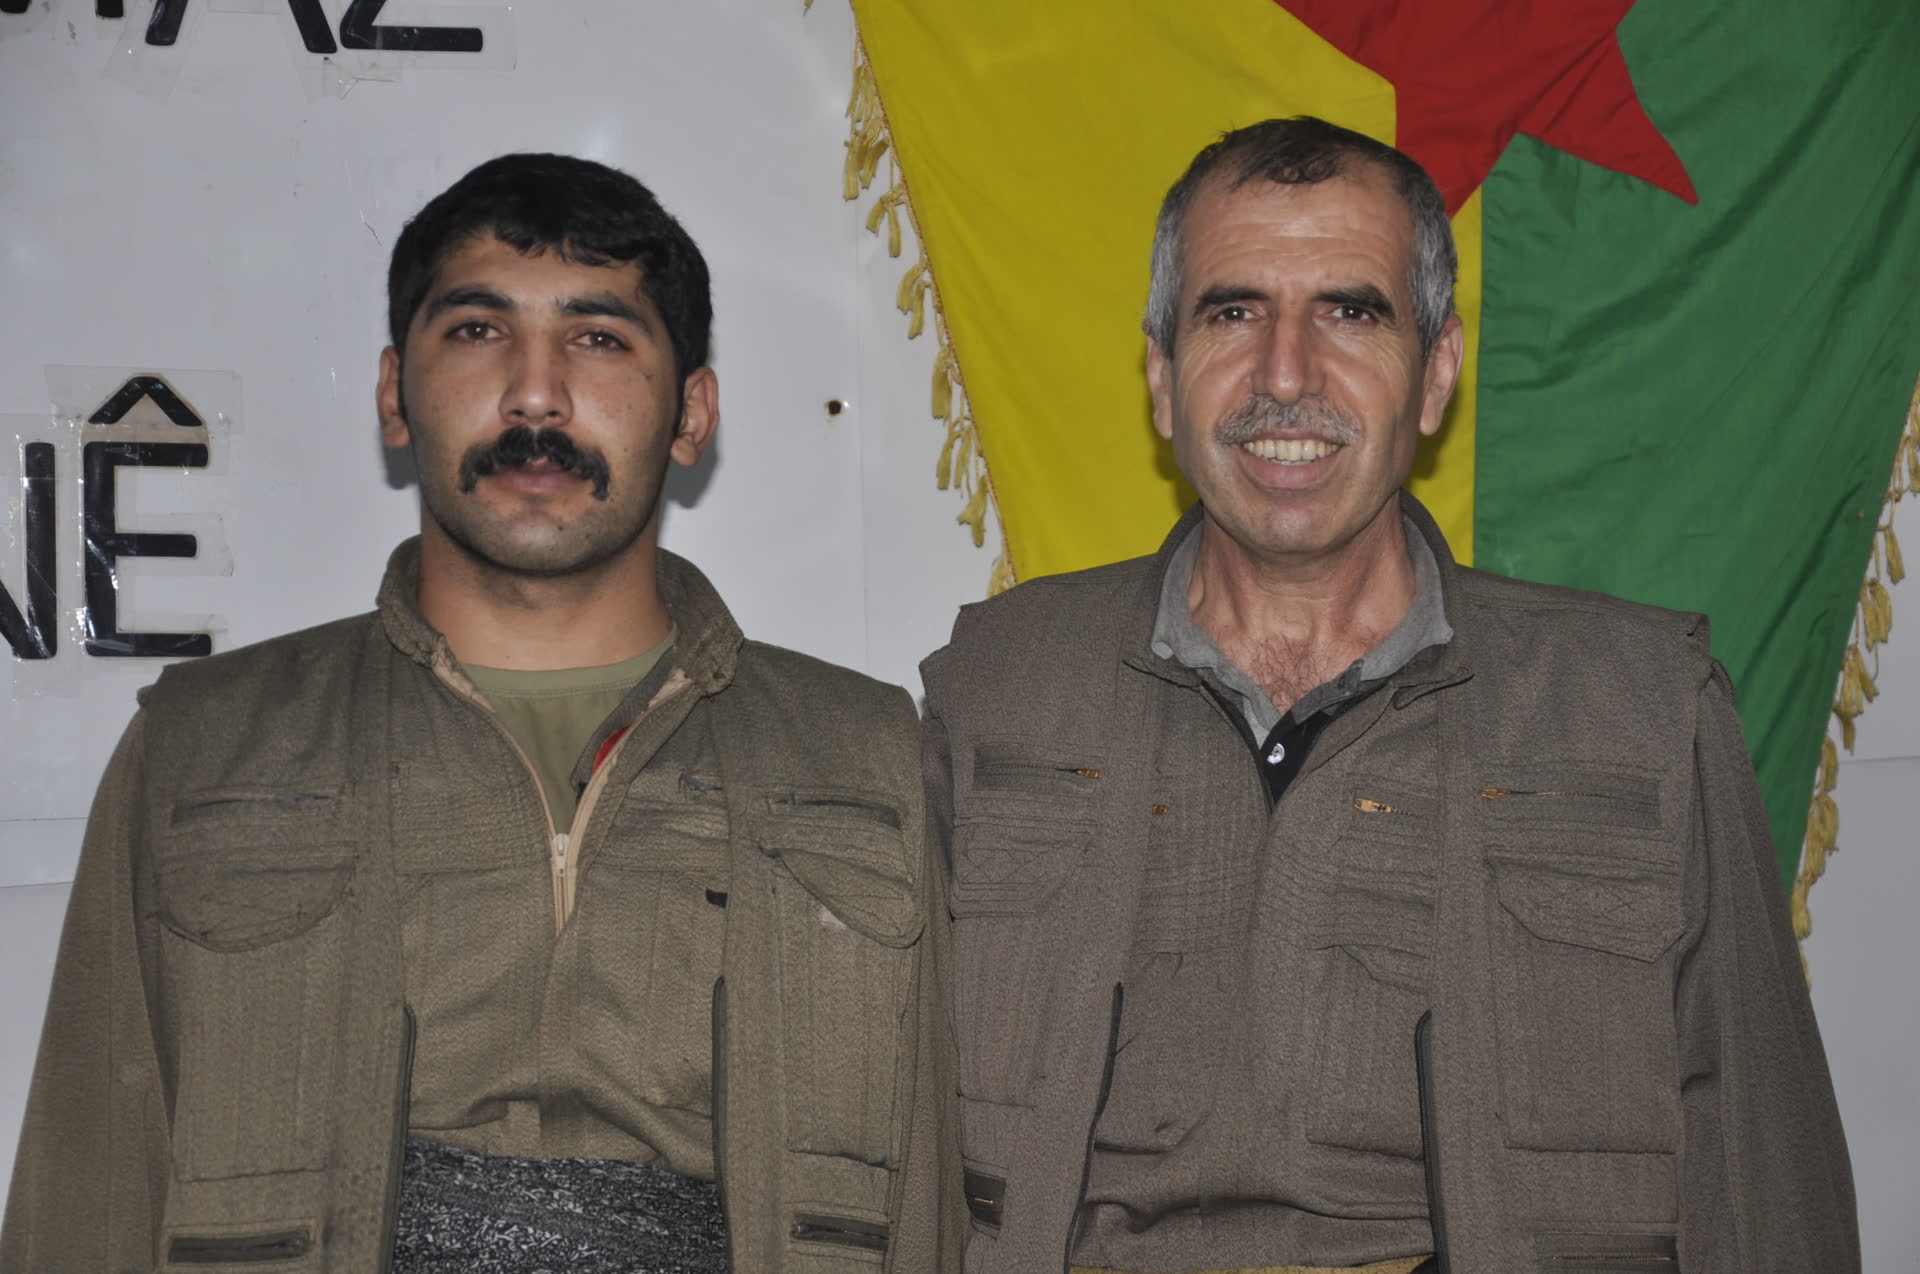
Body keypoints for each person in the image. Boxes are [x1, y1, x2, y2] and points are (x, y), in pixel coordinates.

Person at [920, 117, 1857, 1274]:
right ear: (1162, 379)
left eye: (1350, 313)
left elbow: (1765, 1177)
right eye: (1233, 312)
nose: (1285, 375)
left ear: (1436, 373)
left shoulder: (1643, 707)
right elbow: (896, 1151)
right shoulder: (999, 689)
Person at [2, 153, 952, 1273]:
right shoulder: (207, 742)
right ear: (394, 393)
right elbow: (92, 1184)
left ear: (692, 412)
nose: (535, 395)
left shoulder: (860, 754)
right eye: (477, 331)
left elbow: (931, 1208)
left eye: (599, 337)